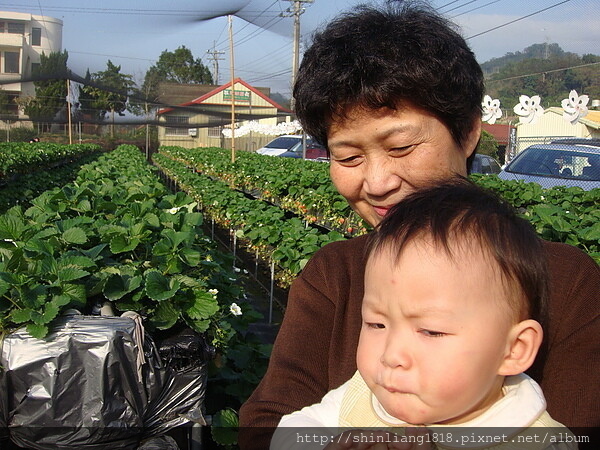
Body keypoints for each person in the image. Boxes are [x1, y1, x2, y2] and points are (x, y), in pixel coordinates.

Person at [239, 1, 599, 448]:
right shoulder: (335, 273)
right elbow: (269, 420)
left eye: (403, 147)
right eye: (348, 157)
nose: (377, 182)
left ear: (468, 132)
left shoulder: (566, 282)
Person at [271, 179, 575, 449]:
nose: (391, 356)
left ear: (514, 349)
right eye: (376, 324)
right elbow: (291, 430)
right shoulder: (363, 394)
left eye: (431, 331)